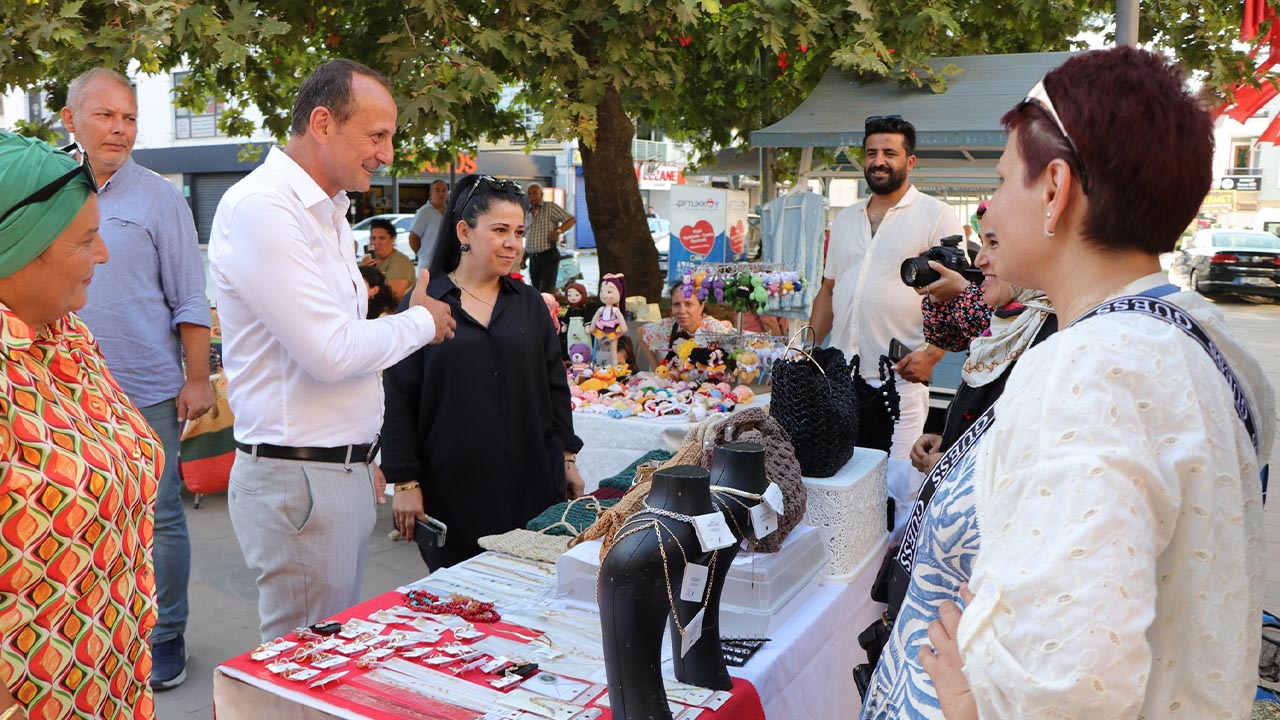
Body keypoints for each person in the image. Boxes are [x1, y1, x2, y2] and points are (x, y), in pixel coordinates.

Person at [868, 48, 1277, 720]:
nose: (987, 212)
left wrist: (970, 705)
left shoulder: (1089, 366)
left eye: (1002, 182)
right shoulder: (1202, 338)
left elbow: (1070, 685)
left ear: (1055, 188)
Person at [208, 59, 457, 641]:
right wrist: (422, 321)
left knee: (320, 655)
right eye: (377, 135)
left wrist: (360, 455)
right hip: (299, 479)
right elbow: (330, 350)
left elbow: (338, 347)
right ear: (322, 123)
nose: (388, 154)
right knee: (303, 664)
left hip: (325, 473)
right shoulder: (264, 209)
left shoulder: (325, 212)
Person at [58, 69, 212, 691]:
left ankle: (164, 634)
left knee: (160, 517)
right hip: (62, 385)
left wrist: (197, 378)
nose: (120, 129)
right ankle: (88, 628)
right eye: (106, 116)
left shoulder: (160, 198)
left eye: (129, 117)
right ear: (70, 120)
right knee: (74, 513)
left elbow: (189, 296)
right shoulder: (48, 189)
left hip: (144, 389)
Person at [0, 133, 160, 719]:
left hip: (113, 680)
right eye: (86, 240)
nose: (104, 256)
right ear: (17, 248)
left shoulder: (67, 335)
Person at [382, 174, 584, 568]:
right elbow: (400, 394)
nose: (512, 243)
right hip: (453, 493)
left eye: (519, 232)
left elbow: (554, 387)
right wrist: (405, 482)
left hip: (532, 488)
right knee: (462, 611)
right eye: (500, 230)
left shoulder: (529, 304)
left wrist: (567, 459)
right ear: (464, 232)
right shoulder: (426, 302)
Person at [809, 115, 964, 459]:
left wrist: (932, 356)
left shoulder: (937, 216)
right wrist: (808, 351)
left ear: (910, 161)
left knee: (900, 489)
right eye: (871, 152)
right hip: (838, 379)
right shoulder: (846, 219)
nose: (878, 161)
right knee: (841, 480)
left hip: (900, 381)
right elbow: (829, 290)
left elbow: (958, 296)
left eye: (889, 153)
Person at [638, 279, 733, 364]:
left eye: (688, 304)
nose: (682, 311)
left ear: (701, 306)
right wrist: (656, 369)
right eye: (676, 304)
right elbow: (641, 332)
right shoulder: (667, 327)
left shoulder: (715, 330)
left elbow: (741, 347)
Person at [523, 183, 575, 293]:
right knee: (535, 291)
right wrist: (524, 259)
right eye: (529, 194)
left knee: (546, 291)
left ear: (541, 195)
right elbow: (529, 238)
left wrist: (558, 231)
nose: (532, 196)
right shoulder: (527, 213)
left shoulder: (549, 207)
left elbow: (571, 219)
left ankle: (548, 310)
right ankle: (538, 310)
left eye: (535, 193)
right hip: (533, 258)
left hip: (548, 255)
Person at [360, 217, 415, 300]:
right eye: (373, 238)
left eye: (382, 238)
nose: (376, 242)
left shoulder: (400, 262)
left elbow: (393, 294)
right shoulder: (369, 261)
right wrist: (362, 270)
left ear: (392, 239)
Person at [408, 179, 448, 268]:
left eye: (444, 190)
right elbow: (413, 238)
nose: (441, 193)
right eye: (437, 190)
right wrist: (423, 254)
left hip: (447, 263)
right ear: (431, 193)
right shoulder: (423, 212)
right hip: (428, 264)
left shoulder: (450, 212)